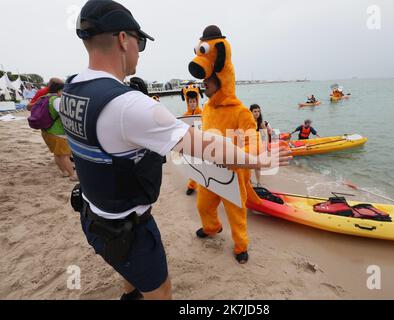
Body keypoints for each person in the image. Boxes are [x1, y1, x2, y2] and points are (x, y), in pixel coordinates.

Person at [63, 1, 290, 301]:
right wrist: (259, 159)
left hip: (91, 216)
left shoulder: (70, 89)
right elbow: (206, 146)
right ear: (123, 39)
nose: (139, 51)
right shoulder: (129, 105)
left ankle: (129, 294)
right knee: (162, 290)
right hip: (129, 230)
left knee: (126, 272)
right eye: (139, 42)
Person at [189, 25, 268, 264]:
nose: (204, 88)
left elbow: (253, 138)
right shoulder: (207, 111)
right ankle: (212, 228)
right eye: (203, 85)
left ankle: (241, 246)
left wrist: (241, 157)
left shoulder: (241, 111)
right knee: (203, 206)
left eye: (207, 85)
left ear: (220, 82)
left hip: (234, 172)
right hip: (210, 170)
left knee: (236, 213)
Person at [41, 82, 77, 180]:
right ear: (59, 91)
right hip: (57, 132)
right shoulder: (56, 100)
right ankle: (72, 175)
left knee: (57, 153)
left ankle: (64, 172)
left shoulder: (45, 98)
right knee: (65, 155)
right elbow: (63, 114)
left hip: (46, 130)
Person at [181, 83, 203, 196]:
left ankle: (205, 187)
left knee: (203, 166)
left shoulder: (202, 114)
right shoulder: (185, 115)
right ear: (187, 102)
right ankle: (191, 185)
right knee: (192, 166)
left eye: (194, 101)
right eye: (190, 102)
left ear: (197, 101)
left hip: (202, 144)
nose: (192, 103)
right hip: (190, 144)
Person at [250, 104, 272, 187]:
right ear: (250, 112)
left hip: (257, 147)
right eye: (255, 111)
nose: (257, 113)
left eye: (258, 111)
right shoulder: (247, 122)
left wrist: (266, 147)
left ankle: (258, 183)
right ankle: (249, 181)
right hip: (249, 146)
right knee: (248, 165)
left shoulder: (261, 123)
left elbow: (264, 137)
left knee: (257, 166)